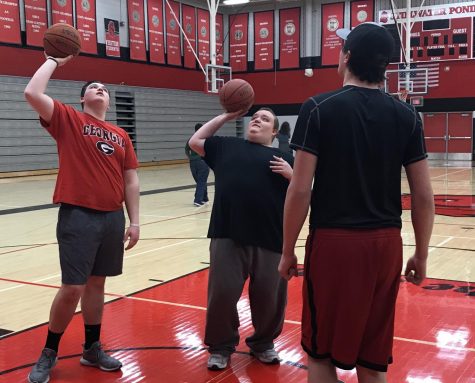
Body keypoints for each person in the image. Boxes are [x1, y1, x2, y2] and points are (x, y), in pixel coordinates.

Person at [278, 22, 434, 383]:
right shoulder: (407, 116)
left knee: (320, 355)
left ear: (346, 57)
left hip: (335, 244)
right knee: (372, 358)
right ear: (385, 65)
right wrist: (421, 253)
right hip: (385, 245)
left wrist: (287, 250)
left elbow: (300, 190)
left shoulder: (318, 108)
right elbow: (423, 196)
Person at [24, 54, 140, 383]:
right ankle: (49, 351)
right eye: (93, 87)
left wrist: (134, 221)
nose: (100, 89)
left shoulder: (121, 134)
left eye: (104, 87)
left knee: (96, 285)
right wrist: (53, 60)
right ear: (82, 98)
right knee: (73, 287)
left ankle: (91, 348)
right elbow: (32, 93)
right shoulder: (69, 119)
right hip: (78, 214)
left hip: (112, 218)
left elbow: (131, 180)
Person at [189, 107, 293, 370]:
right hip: (228, 233)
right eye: (255, 116)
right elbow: (195, 141)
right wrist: (227, 115)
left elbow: (306, 194)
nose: (257, 119)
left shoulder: (285, 156)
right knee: (222, 294)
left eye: (266, 118)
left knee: (270, 298)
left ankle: (263, 343)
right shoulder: (227, 147)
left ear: (275, 131)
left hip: (271, 238)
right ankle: (221, 346)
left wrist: (292, 175)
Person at [185, 123, 210, 206]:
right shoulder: (204, 139)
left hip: (192, 163)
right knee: (202, 181)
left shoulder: (191, 139)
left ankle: (204, 198)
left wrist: (190, 157)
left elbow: (186, 150)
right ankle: (198, 200)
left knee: (200, 181)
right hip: (202, 162)